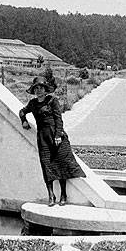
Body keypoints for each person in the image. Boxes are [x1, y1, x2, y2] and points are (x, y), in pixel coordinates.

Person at [19, 75, 85, 206]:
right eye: (36, 88)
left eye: (41, 88)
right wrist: (24, 121)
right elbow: (22, 111)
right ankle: (51, 195)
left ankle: (63, 195)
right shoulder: (32, 104)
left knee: (61, 163)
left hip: (55, 135)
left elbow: (58, 119)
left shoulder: (52, 101)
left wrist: (58, 135)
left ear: (45, 89)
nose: (38, 90)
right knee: (46, 165)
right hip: (43, 138)